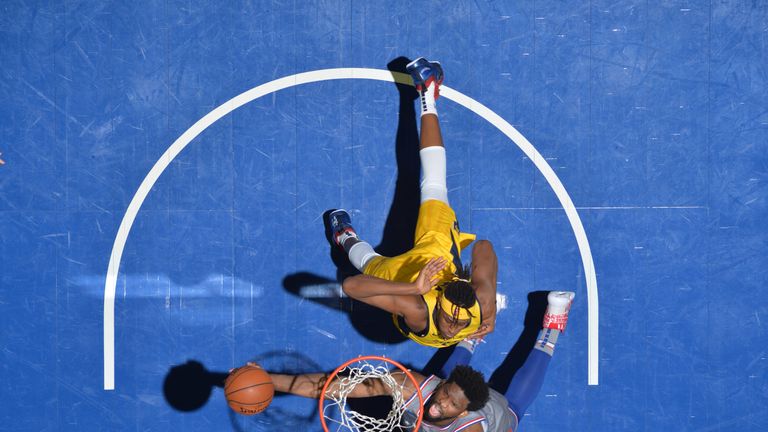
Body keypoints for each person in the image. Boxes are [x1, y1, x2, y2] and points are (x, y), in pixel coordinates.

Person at [329, 57, 498, 348]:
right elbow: (484, 247)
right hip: (431, 263)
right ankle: (427, 92)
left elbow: (351, 286)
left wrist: (489, 300)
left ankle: (345, 236)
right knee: (433, 184)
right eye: (451, 320)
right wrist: (414, 288)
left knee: (370, 263)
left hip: (414, 280)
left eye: (457, 323)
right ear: (440, 305)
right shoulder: (419, 309)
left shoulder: (477, 307)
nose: (453, 328)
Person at [263, 291, 575, 432]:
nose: (440, 404)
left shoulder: (470, 427)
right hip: (484, 414)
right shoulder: (413, 388)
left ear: (464, 411)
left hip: (490, 417)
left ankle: (534, 331)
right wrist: (268, 380)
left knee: (505, 405)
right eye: (444, 393)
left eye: (451, 404)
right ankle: (547, 325)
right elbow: (330, 387)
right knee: (515, 409)